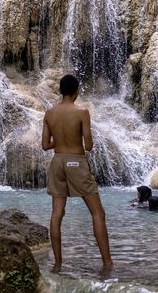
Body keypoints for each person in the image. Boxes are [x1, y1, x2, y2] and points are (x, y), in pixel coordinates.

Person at [42, 74, 113, 274]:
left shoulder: (49, 113)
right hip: (76, 162)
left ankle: (57, 264)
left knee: (57, 214)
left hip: (57, 162)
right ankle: (107, 263)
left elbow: (45, 145)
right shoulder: (82, 112)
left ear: (60, 91)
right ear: (77, 90)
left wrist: (62, 140)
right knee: (98, 213)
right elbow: (89, 146)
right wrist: (76, 138)